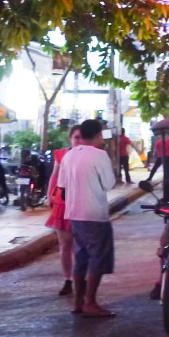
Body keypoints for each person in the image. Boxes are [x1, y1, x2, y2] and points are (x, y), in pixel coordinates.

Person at [56, 119, 117, 318]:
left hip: (74, 214)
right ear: (99, 135)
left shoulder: (69, 155)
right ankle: (90, 302)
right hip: (94, 214)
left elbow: (62, 187)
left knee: (81, 257)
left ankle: (78, 301)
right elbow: (109, 184)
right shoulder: (100, 155)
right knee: (97, 258)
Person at [45, 124, 81, 296]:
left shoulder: (89, 156)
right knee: (65, 244)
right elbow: (55, 175)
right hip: (63, 202)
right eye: (76, 137)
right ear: (70, 138)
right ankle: (69, 279)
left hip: (83, 202)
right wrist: (49, 195)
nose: (79, 141)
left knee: (81, 245)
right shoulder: (61, 154)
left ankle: (81, 279)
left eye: (82, 137)